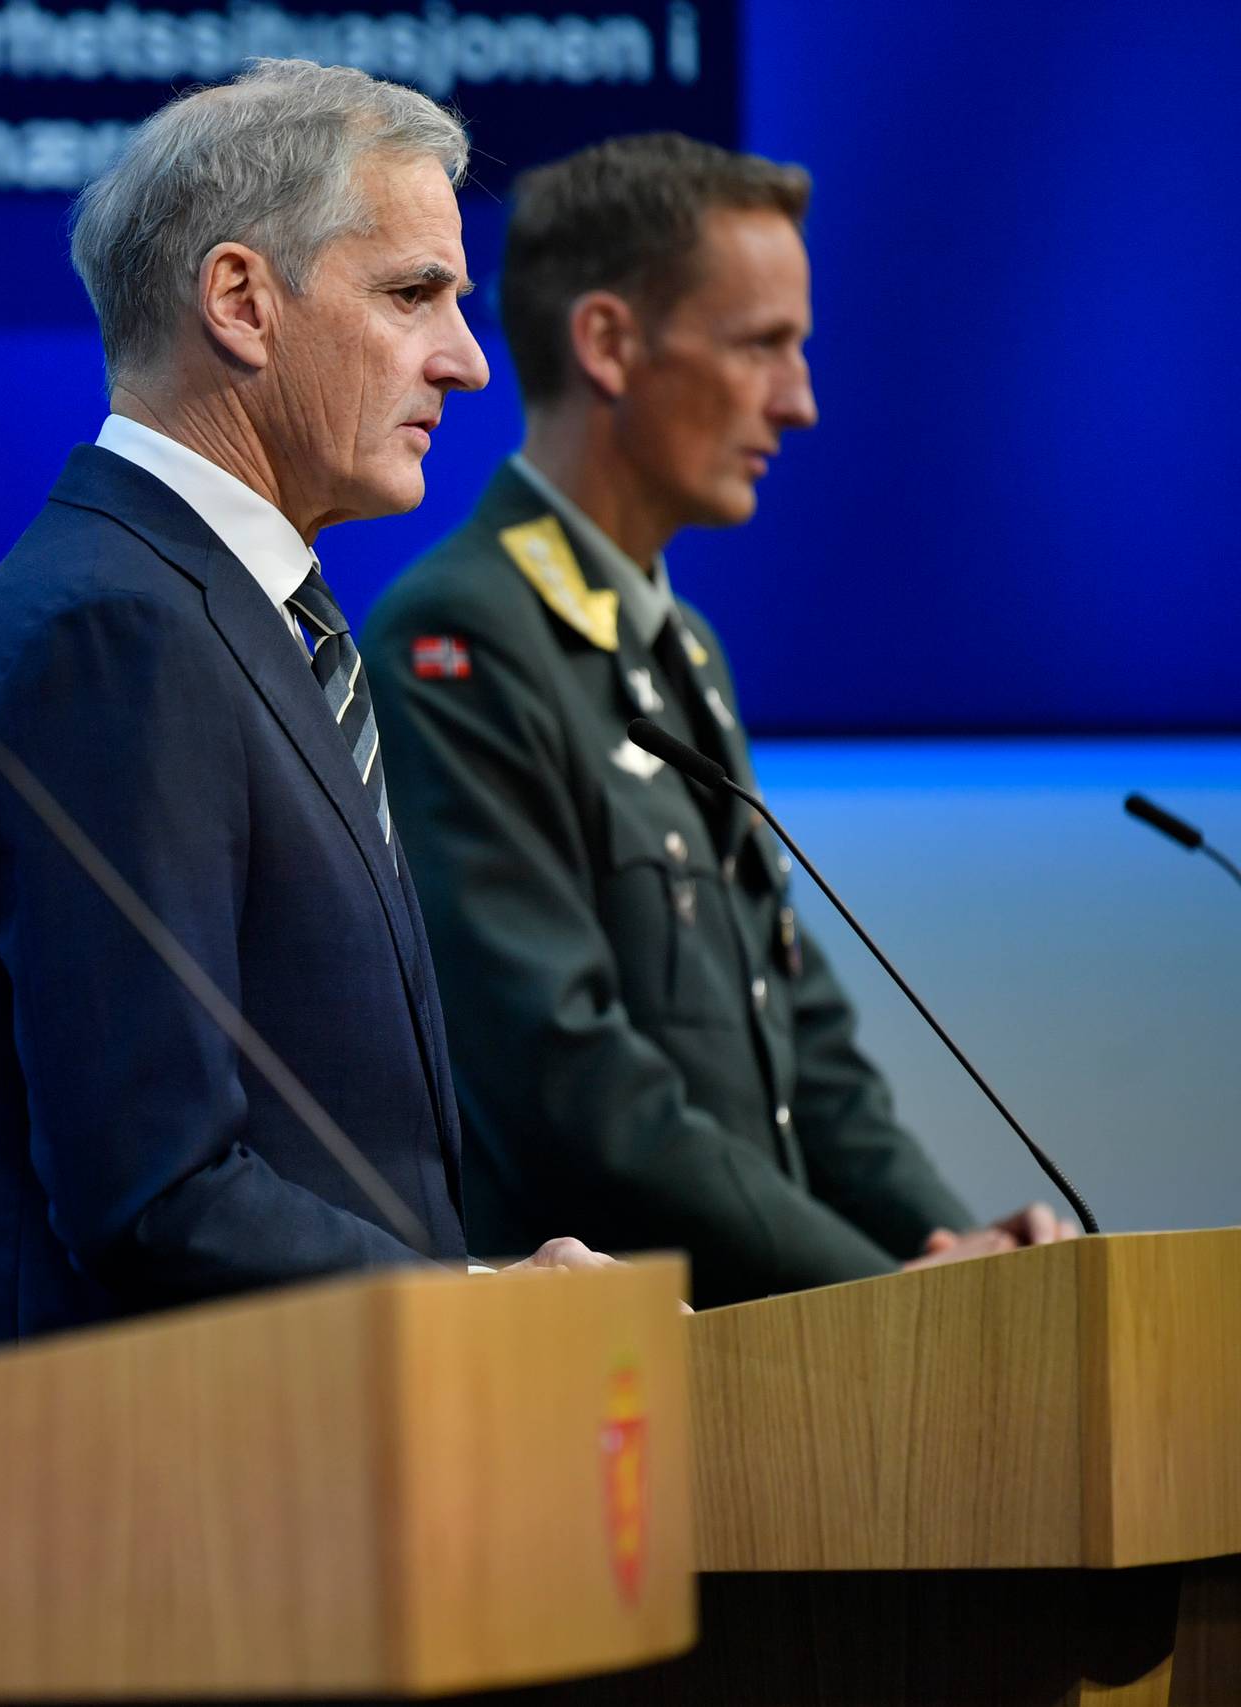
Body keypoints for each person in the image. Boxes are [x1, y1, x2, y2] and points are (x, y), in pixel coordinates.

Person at [0, 60, 612, 1359]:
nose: (466, 361)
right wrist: (483, 1307)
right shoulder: (112, 637)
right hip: (161, 1470)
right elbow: (156, 1190)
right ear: (240, 301)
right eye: (413, 295)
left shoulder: (225, 616)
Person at [360, 133, 1070, 1309]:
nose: (799, 401)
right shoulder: (458, 640)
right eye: (759, 345)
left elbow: (812, 1056)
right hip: (603, 1364)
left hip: (754, 1350)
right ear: (607, 344)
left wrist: (954, 1260)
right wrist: (886, 1296)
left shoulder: (682, 651)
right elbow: (570, 1090)